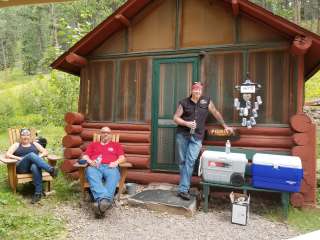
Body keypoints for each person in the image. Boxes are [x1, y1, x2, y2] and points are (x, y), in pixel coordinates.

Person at [173, 82, 234, 200]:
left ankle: (183, 189)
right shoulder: (184, 103)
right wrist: (186, 123)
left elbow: (215, 113)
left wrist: (225, 126)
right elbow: (175, 118)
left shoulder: (206, 101)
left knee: (190, 161)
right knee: (182, 162)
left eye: (199, 90)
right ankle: (184, 188)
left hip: (197, 136)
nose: (197, 92)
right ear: (191, 90)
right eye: (195, 90)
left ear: (202, 91)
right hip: (183, 135)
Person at [5, 128, 58, 204]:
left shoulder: (35, 144)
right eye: (23, 135)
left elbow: (45, 151)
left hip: (32, 167)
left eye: (27, 135)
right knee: (31, 155)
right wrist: (19, 158)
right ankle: (50, 170)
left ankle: (38, 194)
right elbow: (7, 154)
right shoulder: (16, 145)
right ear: (20, 136)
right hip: (21, 167)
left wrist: (38, 157)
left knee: (35, 166)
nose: (25, 136)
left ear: (30, 136)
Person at [81, 126, 125, 217]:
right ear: (100, 134)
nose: (105, 134)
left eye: (108, 133)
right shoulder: (93, 145)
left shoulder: (116, 145)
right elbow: (85, 156)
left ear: (110, 135)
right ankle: (105, 201)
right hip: (95, 166)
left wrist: (116, 162)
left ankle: (100, 205)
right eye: (103, 132)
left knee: (114, 175)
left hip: (110, 166)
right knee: (90, 172)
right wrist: (90, 161)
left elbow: (122, 158)